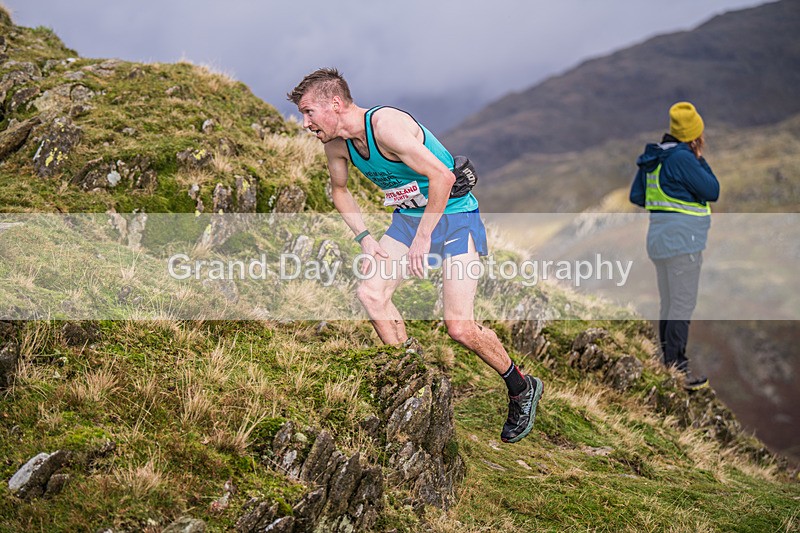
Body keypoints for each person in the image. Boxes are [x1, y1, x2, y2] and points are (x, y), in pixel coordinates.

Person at [288, 68, 543, 443]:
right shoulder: (337, 145)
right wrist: (364, 238)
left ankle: (521, 386)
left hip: (454, 220)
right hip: (408, 222)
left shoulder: (386, 127)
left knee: (459, 327)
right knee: (371, 294)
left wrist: (425, 237)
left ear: (335, 104)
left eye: (309, 112)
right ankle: (414, 383)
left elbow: (443, 177)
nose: (305, 123)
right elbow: (339, 190)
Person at [629, 102, 720, 391]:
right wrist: (698, 159)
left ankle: (669, 364)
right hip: (683, 243)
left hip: (658, 241)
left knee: (669, 303)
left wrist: (669, 200)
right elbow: (712, 190)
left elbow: (637, 195)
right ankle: (677, 369)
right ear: (694, 134)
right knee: (681, 304)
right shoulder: (682, 158)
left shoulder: (655, 155)